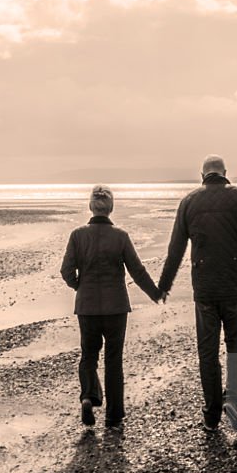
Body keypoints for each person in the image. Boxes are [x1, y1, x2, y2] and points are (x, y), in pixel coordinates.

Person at [157, 155, 237, 431]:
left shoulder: (189, 202)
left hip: (204, 289)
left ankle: (212, 416)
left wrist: (164, 285)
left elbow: (176, 249)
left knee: (208, 352)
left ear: (202, 175)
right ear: (225, 173)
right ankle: (235, 401)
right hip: (235, 287)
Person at [60, 185, 164, 432]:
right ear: (111, 208)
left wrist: (79, 286)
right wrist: (155, 293)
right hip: (116, 307)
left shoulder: (77, 235)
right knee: (114, 360)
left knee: (88, 354)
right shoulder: (121, 236)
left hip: (87, 307)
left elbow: (66, 270)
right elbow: (137, 270)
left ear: (90, 206)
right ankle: (114, 416)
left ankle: (88, 396)